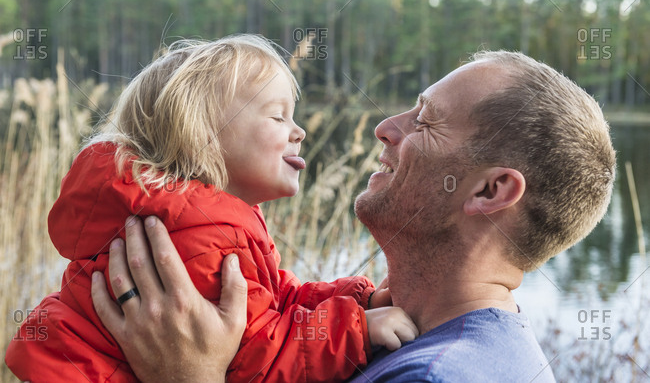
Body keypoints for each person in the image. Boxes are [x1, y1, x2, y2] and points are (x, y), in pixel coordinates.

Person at [90, 50, 616, 382]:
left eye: (425, 120)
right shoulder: (411, 336)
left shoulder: (435, 376)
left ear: (490, 190)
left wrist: (189, 377)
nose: (385, 127)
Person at [5, 35, 418, 382]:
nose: (300, 131)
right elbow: (252, 358)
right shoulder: (194, 236)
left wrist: (356, 297)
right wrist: (356, 330)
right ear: (201, 137)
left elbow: (273, 300)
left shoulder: (204, 218)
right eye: (278, 117)